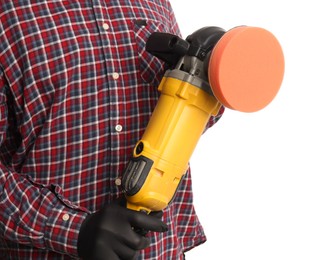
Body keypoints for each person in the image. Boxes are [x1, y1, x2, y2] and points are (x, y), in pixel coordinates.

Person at [0, 1, 224, 259]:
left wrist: (206, 83)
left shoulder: (154, 4)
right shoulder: (9, 15)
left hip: (160, 251)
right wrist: (74, 230)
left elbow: (185, 122)